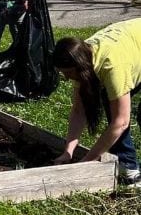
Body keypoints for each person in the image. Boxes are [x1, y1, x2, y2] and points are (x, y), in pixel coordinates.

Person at [52, 19, 141, 186]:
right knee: (111, 99)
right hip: (132, 47)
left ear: (81, 67)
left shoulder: (112, 66)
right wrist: (68, 151)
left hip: (131, 54)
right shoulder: (81, 55)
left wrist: (88, 160)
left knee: (119, 110)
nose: (66, 78)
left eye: (68, 73)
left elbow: (120, 122)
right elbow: (79, 110)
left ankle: (131, 172)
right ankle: (127, 164)